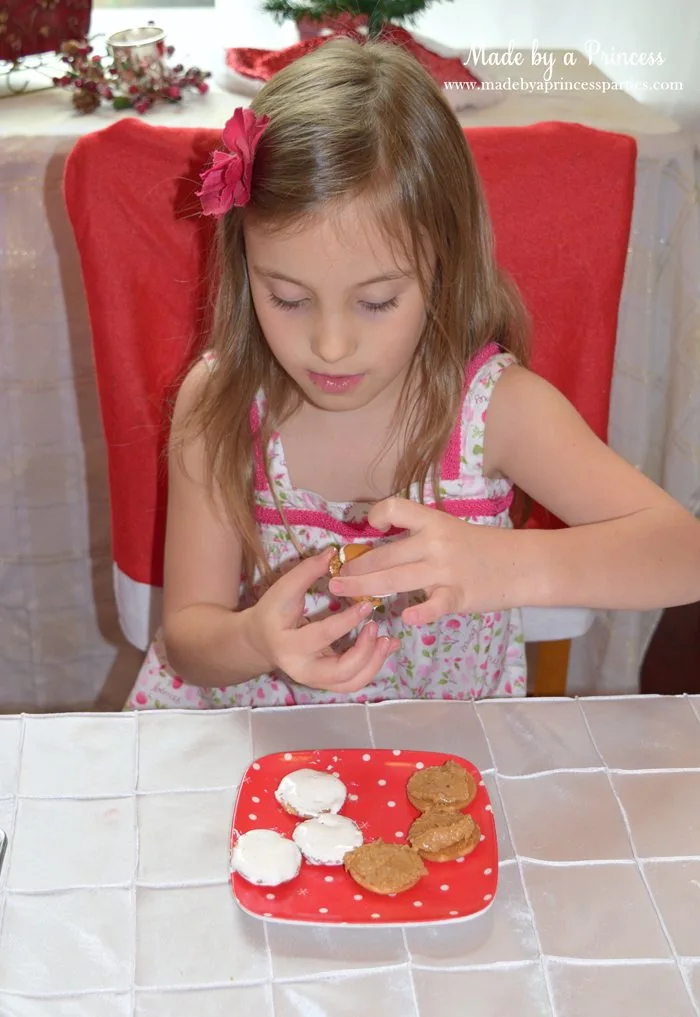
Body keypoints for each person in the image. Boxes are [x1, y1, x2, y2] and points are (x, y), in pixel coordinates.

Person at [126, 38, 700, 710]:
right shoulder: (220, 402)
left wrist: (507, 567)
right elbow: (191, 641)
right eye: (287, 296)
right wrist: (256, 638)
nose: (331, 346)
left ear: (442, 267)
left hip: (441, 757)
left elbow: (681, 551)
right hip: (265, 756)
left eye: (376, 301)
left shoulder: (495, 410)